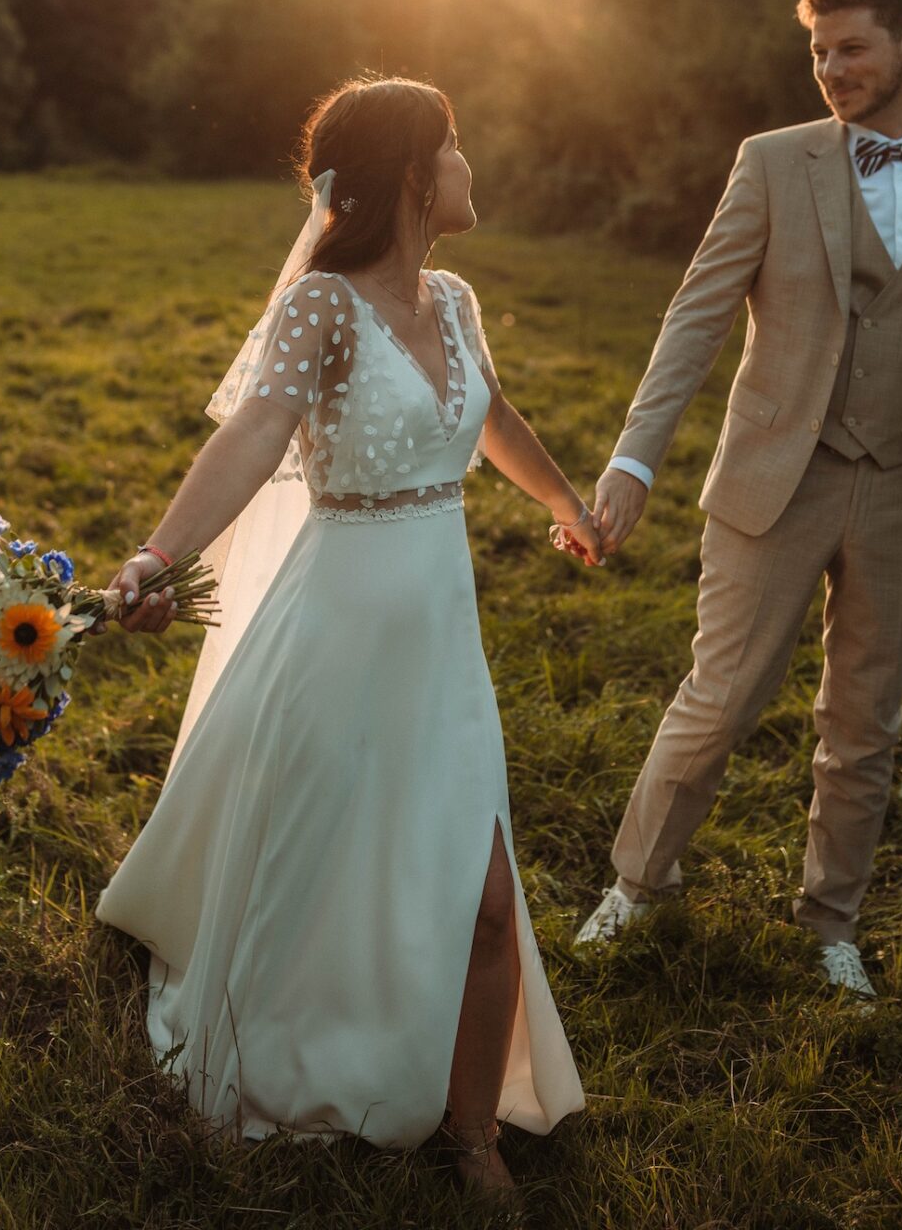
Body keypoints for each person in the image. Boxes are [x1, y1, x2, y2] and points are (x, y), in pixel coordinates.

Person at [96, 77, 599, 1200]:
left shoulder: (457, 300)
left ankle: (473, 1133)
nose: (470, 165)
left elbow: (494, 416)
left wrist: (564, 505)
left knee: (482, 899)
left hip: (439, 633)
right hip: (335, 623)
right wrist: (153, 560)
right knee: (315, 869)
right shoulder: (319, 306)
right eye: (455, 146)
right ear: (415, 174)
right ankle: (285, 1048)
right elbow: (249, 440)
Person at [578, 0, 902, 996]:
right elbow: (697, 314)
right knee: (717, 698)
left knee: (864, 721)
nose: (829, 69)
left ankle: (826, 924)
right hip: (777, 472)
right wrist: (634, 455)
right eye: (817, 52)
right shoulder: (770, 162)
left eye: (849, 47)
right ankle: (637, 883)